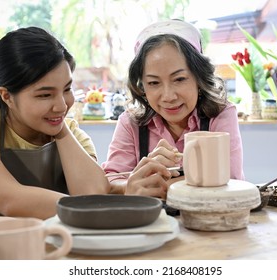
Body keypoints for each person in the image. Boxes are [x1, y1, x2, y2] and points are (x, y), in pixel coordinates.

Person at [0, 27, 110, 220]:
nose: (61, 106)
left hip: (51, 244)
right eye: (45, 95)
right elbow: (9, 199)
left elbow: (94, 196)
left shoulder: (73, 135)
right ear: (7, 96)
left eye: (67, 89)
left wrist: (61, 132)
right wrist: (83, 207)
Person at [102, 19, 245, 199]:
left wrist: (158, 184)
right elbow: (110, 180)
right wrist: (130, 185)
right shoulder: (131, 123)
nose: (168, 96)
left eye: (179, 79)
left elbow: (229, 181)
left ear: (198, 78)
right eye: (154, 83)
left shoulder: (220, 116)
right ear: (142, 87)